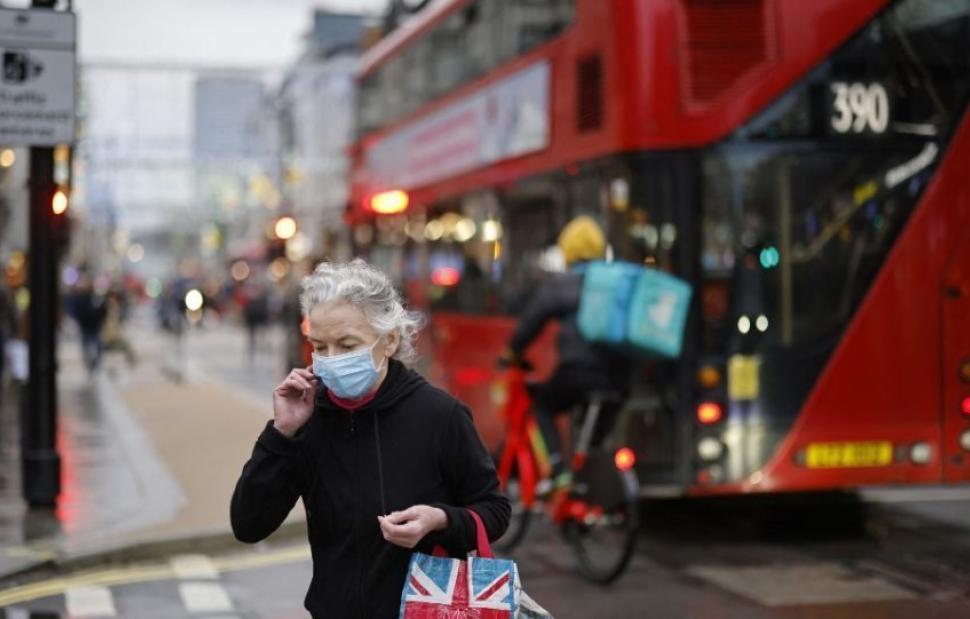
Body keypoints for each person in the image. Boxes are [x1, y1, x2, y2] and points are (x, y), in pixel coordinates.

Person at [231, 259, 510, 619]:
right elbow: (248, 525)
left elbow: (494, 510)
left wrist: (440, 520)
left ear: (389, 340)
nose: (331, 360)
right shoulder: (309, 419)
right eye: (320, 346)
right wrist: (281, 434)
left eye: (347, 345)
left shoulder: (440, 415)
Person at [500, 215, 630, 490]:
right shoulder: (618, 282)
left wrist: (511, 352)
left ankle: (558, 468)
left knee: (543, 406)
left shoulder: (564, 285)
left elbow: (531, 323)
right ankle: (591, 477)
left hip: (578, 373)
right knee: (594, 440)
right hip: (620, 378)